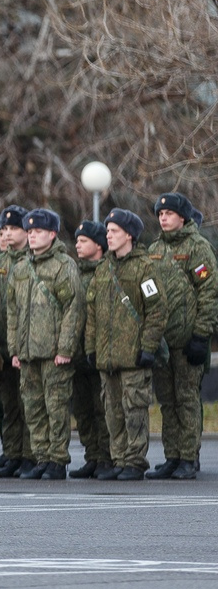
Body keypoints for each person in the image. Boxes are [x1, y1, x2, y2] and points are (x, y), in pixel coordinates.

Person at [85, 208, 167, 481]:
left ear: (129, 235)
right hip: (108, 357)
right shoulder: (103, 268)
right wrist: (91, 347)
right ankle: (119, 458)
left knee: (134, 411)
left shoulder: (144, 267)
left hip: (133, 355)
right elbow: (93, 311)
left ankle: (134, 460)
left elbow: (156, 310)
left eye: (114, 231)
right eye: (107, 231)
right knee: (113, 411)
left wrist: (148, 347)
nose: (108, 236)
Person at [7, 208, 84, 480]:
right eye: (29, 232)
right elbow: (13, 311)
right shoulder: (20, 269)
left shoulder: (63, 266)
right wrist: (14, 349)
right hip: (28, 352)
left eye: (38, 231)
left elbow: (72, 309)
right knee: (34, 408)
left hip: (53, 353)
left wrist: (65, 349)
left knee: (56, 407)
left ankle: (57, 459)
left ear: (52, 234)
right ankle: (40, 457)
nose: (33, 236)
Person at [145, 193, 216, 480]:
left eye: (169, 213)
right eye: (160, 214)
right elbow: (148, 291)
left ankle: (188, 457)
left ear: (182, 217)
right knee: (167, 401)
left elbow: (209, 292)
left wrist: (201, 335)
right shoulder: (154, 249)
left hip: (188, 341)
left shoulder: (198, 248)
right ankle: (172, 456)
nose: (163, 218)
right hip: (163, 342)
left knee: (186, 400)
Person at [0, 205, 36, 477]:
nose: (7, 234)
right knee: (8, 406)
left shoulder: (32, 259)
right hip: (2, 346)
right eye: (3, 230)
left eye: (13, 229)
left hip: (26, 343)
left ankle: (30, 454)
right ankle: (12, 453)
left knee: (27, 404)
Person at [69, 220, 112, 478]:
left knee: (102, 408)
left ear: (99, 245)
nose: (78, 245)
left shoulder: (107, 271)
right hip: (76, 353)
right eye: (77, 240)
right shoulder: (73, 272)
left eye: (83, 240)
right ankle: (92, 455)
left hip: (99, 352)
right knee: (83, 410)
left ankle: (107, 456)